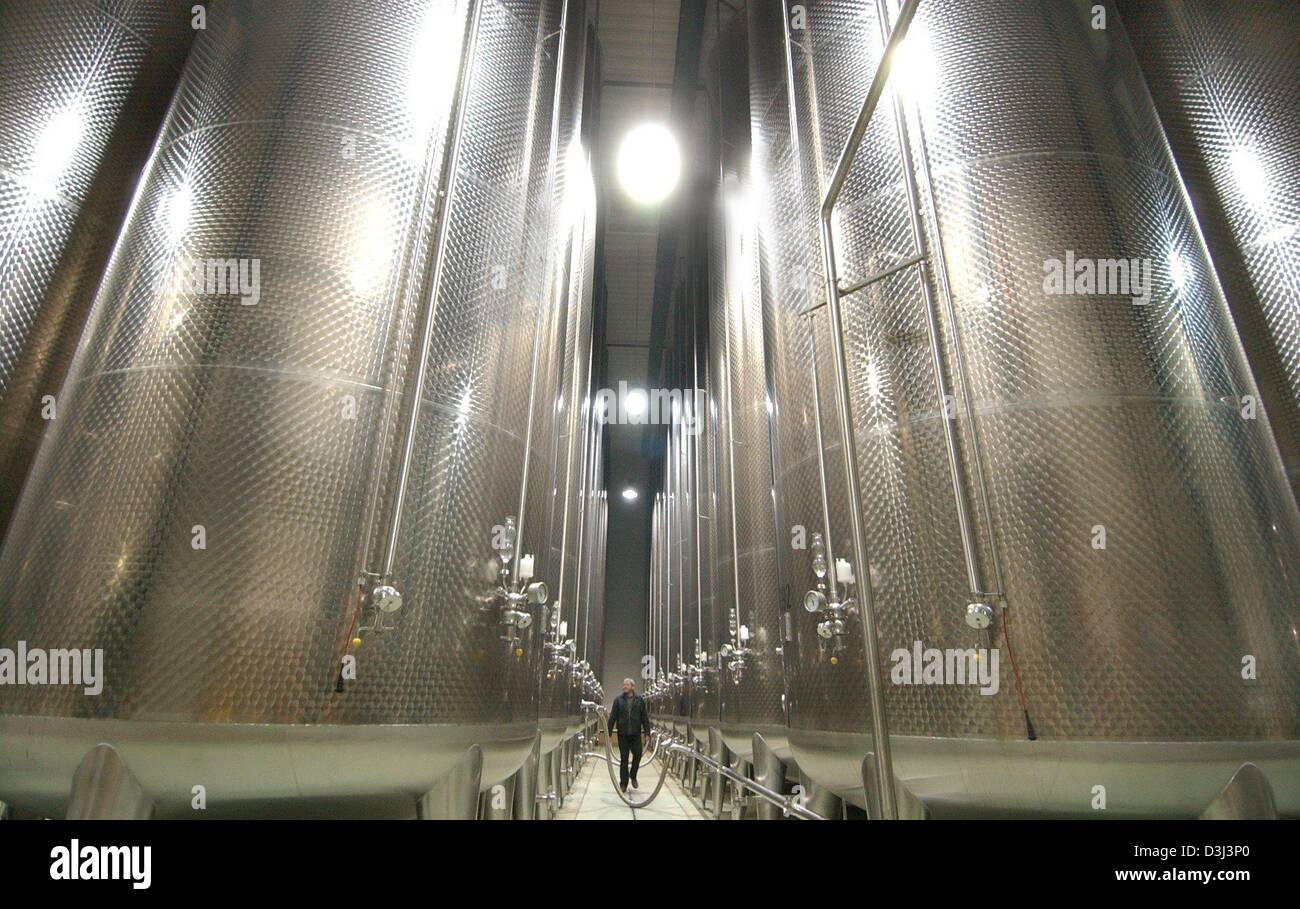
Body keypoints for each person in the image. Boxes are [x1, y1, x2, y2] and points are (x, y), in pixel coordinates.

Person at [607, 678, 651, 791]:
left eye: (627, 684)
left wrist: (647, 733)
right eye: (624, 684)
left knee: (638, 755)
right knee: (624, 759)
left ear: (632, 687)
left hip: (635, 734)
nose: (624, 686)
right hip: (623, 734)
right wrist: (608, 733)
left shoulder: (639, 700)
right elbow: (612, 717)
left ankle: (633, 775)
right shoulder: (618, 700)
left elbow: (644, 717)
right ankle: (623, 783)